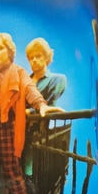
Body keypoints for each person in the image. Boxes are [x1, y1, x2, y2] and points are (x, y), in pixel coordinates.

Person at [0, 33, 62, 194]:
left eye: (0, 48)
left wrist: (41, 105)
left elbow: (30, 89)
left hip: (8, 127)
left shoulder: (18, 72)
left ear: (10, 51)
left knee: (12, 169)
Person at [23, 37, 67, 180]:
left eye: (38, 56)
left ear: (47, 57)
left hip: (37, 130)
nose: (34, 60)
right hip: (18, 129)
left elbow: (49, 106)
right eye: (31, 58)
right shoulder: (25, 80)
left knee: (30, 169)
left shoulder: (57, 79)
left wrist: (28, 112)